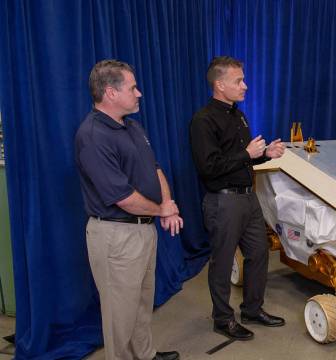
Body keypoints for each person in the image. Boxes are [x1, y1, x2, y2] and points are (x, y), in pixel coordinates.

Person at [75, 59, 183, 360]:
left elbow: (155, 168)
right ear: (110, 92)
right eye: (133, 87)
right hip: (115, 236)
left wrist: (167, 206)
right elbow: (121, 196)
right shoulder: (93, 136)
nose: (139, 93)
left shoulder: (132, 126)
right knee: (119, 315)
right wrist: (163, 211)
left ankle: (144, 354)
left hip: (142, 230)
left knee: (140, 303)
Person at [190, 56, 286, 341]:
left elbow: (243, 161)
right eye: (238, 81)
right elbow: (208, 167)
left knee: (258, 253)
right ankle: (222, 319)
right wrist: (248, 154)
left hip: (248, 198)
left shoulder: (239, 115)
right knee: (221, 262)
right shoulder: (203, 121)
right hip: (223, 202)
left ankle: (252, 310)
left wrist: (264, 154)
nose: (245, 86)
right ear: (219, 85)